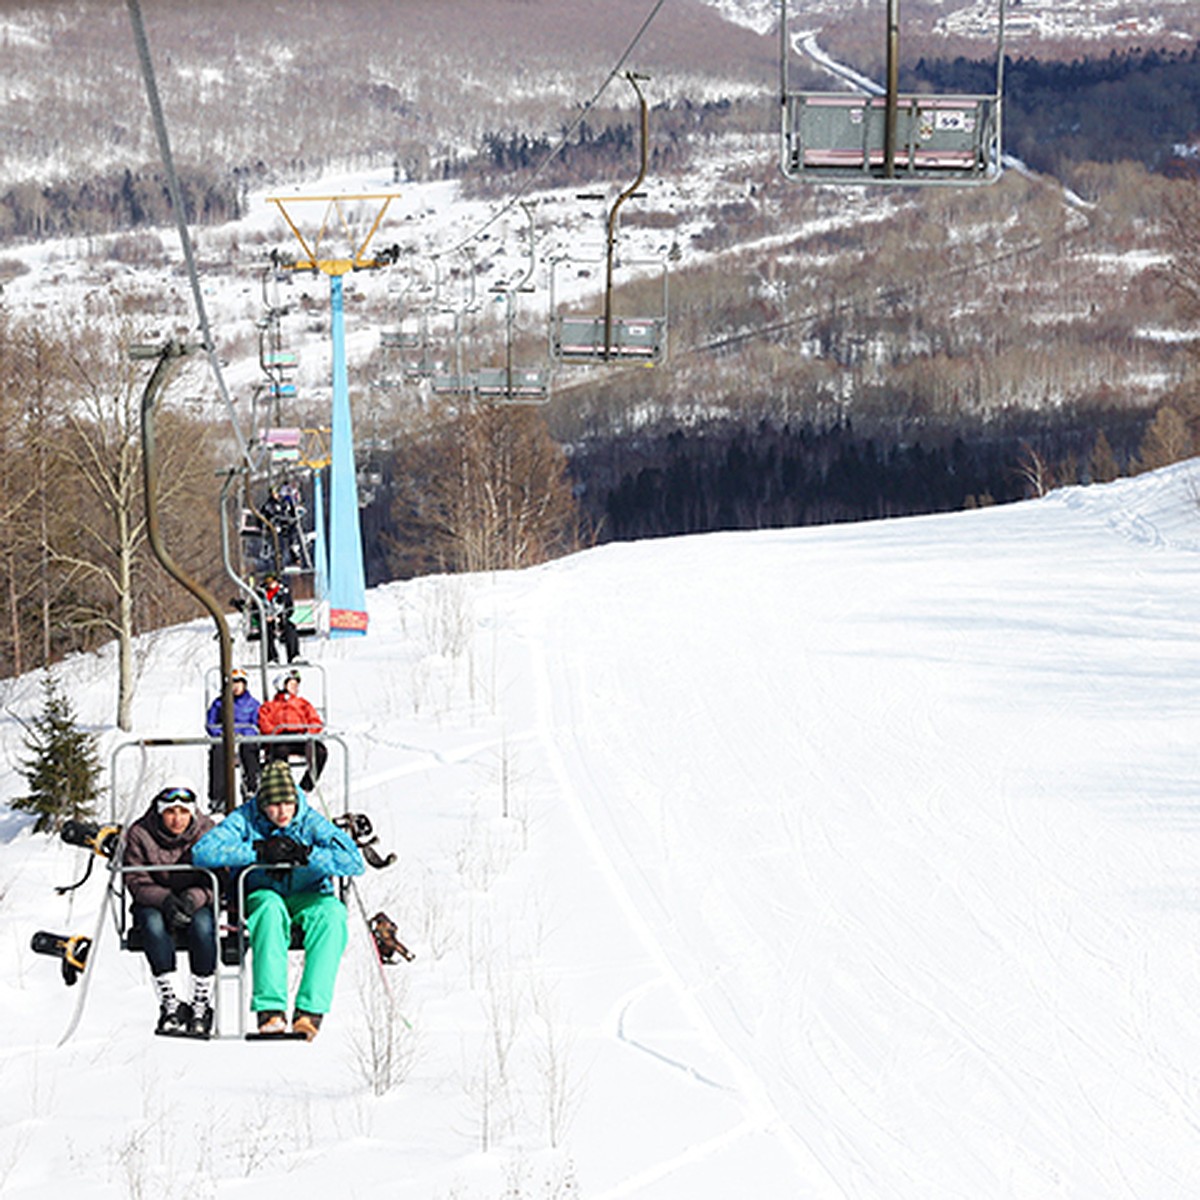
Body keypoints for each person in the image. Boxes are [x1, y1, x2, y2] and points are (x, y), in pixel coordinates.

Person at [191, 760, 364, 1039]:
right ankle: (270, 1008)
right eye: (273, 805)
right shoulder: (246, 818)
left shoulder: (310, 822)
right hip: (264, 892)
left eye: (287, 804)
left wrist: (307, 854)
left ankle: (310, 1010)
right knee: (269, 912)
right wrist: (258, 851)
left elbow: (353, 862)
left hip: (309, 894)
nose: (282, 812)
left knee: (332, 915)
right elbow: (204, 852)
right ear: (262, 803)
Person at [123, 783, 218, 1038]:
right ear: (160, 812)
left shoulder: (207, 831)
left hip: (195, 900)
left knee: (203, 926)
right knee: (152, 925)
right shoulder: (140, 833)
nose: (177, 819)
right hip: (154, 900)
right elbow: (135, 879)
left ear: (192, 813)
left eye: (183, 812)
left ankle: (201, 1004)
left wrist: (192, 898)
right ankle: (172, 1003)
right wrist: (165, 900)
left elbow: (219, 878)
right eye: (170, 812)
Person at [258, 668, 327, 791]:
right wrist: (276, 733)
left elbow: (315, 721)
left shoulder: (302, 704)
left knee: (320, 752)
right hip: (280, 739)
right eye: (291, 684)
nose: (295, 687)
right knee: (280, 752)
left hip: (300, 737)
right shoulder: (270, 706)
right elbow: (264, 723)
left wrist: (309, 731)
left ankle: (305, 787)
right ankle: (284, 786)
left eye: (296, 685)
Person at [205, 667, 261, 811]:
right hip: (226, 739)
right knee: (218, 752)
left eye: (239, 683)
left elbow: (256, 724)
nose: (236, 687)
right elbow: (211, 723)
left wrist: (244, 734)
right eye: (233, 683)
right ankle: (218, 796)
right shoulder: (219, 703)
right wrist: (222, 733)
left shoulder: (253, 704)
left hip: (245, 739)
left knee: (249, 750)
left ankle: (251, 787)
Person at [260, 572, 300, 665]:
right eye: (268, 582)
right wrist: (264, 617)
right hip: (268, 620)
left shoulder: (283, 592)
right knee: (266, 631)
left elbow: (290, 607)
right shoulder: (262, 594)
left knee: (290, 628)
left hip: (281, 618)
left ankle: (293, 655)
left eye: (272, 582)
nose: (271, 584)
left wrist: (282, 616)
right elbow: (256, 609)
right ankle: (272, 657)